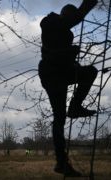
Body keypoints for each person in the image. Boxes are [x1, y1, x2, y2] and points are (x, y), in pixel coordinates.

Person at [38, 0, 98, 176]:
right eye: (73, 18)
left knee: (90, 72)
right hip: (51, 75)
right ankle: (61, 162)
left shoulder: (66, 34)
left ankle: (75, 106)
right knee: (59, 117)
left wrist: (73, 60)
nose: (74, 22)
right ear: (64, 16)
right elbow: (55, 54)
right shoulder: (49, 22)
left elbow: (65, 60)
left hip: (62, 73)